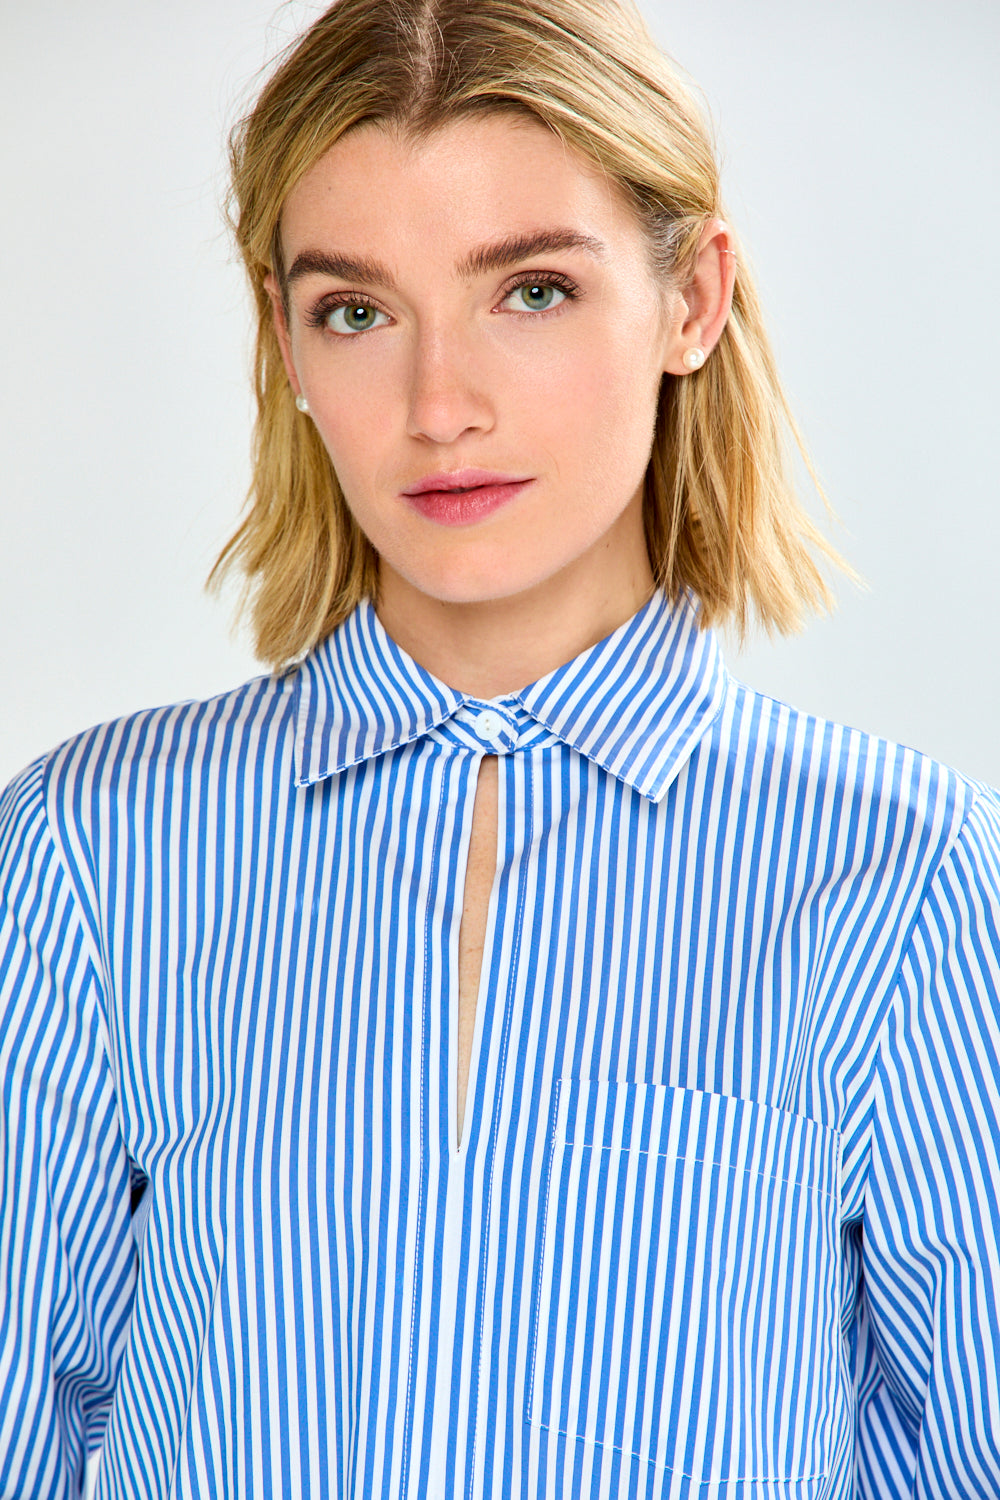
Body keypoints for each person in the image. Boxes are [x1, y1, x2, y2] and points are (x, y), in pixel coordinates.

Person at [2, 0, 999, 1496]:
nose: (438, 407)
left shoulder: (909, 876)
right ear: (285, 341)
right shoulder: (90, 851)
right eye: (357, 310)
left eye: (528, 291)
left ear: (692, 300)